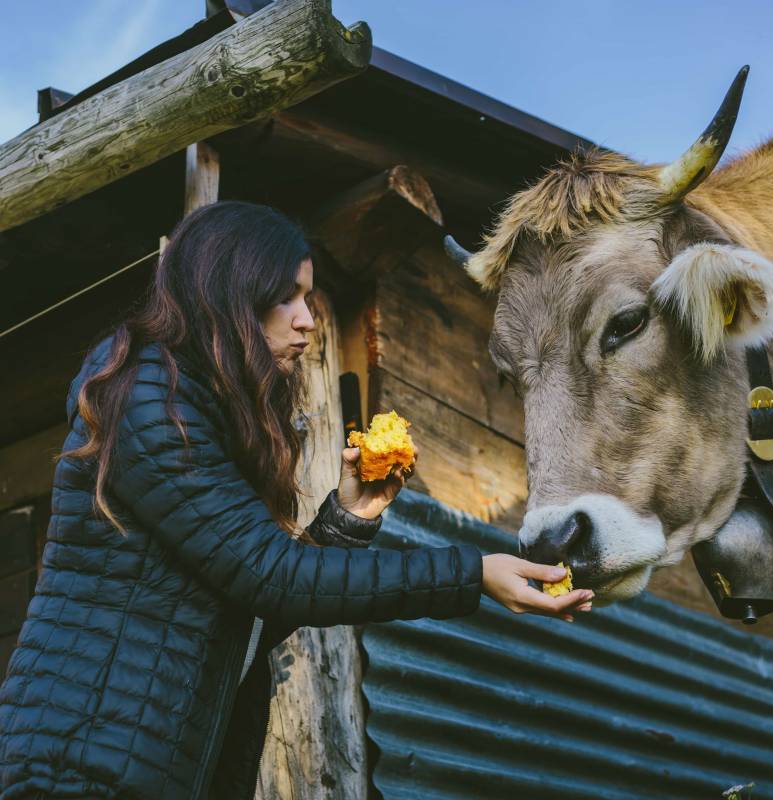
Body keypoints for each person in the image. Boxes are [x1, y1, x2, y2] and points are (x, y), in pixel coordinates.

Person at [0, 201, 593, 800]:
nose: (307, 320)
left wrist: (348, 517)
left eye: (308, 299)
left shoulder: (200, 407)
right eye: (288, 296)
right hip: (78, 766)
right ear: (229, 289)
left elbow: (251, 609)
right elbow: (271, 577)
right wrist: (475, 572)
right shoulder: (149, 399)